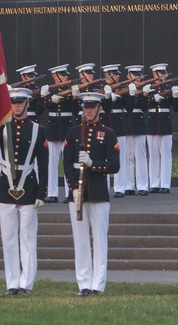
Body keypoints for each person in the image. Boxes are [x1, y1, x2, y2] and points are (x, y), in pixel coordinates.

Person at [65, 92, 120, 296]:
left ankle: (98, 284)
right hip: (78, 193)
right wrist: (73, 187)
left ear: (99, 109)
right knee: (80, 240)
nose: (88, 111)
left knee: (99, 239)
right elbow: (66, 162)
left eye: (92, 107)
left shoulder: (107, 134)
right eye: (86, 107)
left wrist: (92, 164)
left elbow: (115, 165)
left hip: (97, 192)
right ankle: (84, 283)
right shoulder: (72, 133)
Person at [0, 87, 49, 296]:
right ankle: (12, 282)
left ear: (27, 103)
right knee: (8, 237)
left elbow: (44, 164)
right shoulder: (1, 128)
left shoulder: (37, 129)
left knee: (27, 238)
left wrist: (42, 192)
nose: (16, 106)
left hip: (28, 185)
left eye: (20, 102)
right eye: (13, 102)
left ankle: (26, 283)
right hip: (6, 185)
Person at [42, 64, 78, 203]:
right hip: (52, 129)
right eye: (63, 75)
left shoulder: (70, 90)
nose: (66, 77)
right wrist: (48, 99)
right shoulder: (50, 91)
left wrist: (75, 98)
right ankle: (52, 193)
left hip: (67, 128)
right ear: (55, 77)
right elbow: (41, 108)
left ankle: (70, 191)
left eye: (65, 75)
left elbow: (75, 111)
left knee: (68, 162)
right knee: (52, 162)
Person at [147, 63, 178, 194]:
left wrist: (176, 96)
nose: (164, 75)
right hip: (152, 124)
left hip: (165, 124)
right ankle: (155, 183)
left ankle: (165, 184)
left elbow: (177, 109)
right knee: (154, 155)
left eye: (164, 73)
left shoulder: (170, 89)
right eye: (161, 73)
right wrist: (152, 99)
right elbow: (143, 106)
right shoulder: (148, 89)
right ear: (155, 75)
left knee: (166, 155)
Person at [119, 65, 150, 196]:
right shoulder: (122, 89)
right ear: (128, 76)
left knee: (141, 156)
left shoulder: (142, 89)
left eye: (138, 75)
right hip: (126, 123)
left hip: (138, 124)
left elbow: (144, 108)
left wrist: (145, 95)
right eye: (134, 75)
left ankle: (143, 185)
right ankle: (129, 185)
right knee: (127, 157)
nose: (137, 77)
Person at [99, 64, 129, 198]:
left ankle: (120, 188)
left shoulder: (123, 88)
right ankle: (103, 187)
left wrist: (131, 94)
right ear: (108, 75)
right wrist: (107, 97)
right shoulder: (98, 89)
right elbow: (103, 108)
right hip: (104, 125)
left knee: (120, 157)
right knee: (102, 157)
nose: (118, 75)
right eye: (115, 73)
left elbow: (129, 108)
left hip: (118, 126)